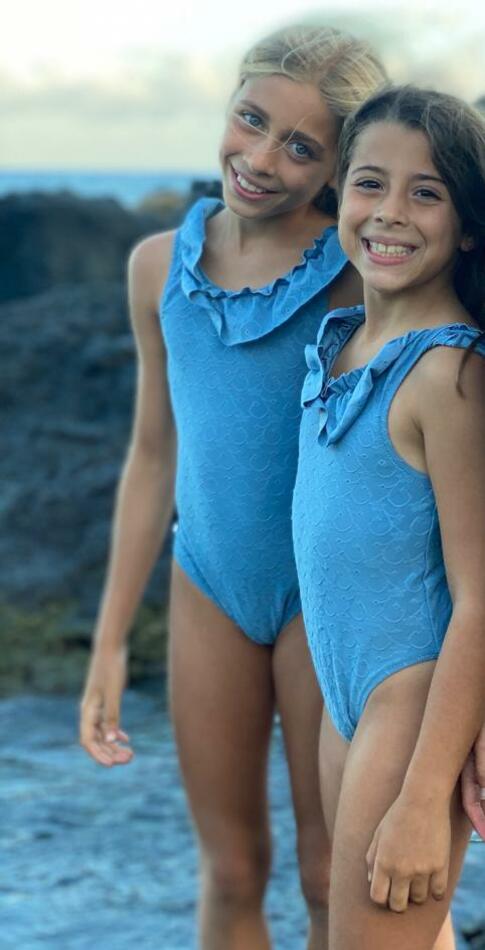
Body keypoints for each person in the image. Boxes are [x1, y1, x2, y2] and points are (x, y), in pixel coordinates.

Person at [79, 25, 387, 950]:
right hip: (207, 583)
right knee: (231, 871)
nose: (259, 160)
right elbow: (152, 455)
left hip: (321, 599)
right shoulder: (154, 269)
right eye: (250, 121)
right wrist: (108, 645)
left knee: (331, 872)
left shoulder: (359, 276)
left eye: (300, 147)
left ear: (336, 169)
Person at [292, 85, 485, 950]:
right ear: (339, 191)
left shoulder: (449, 376)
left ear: (467, 226)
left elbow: (479, 597)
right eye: (370, 183)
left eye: (426, 193)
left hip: (408, 709)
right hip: (345, 703)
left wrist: (423, 794)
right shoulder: (340, 343)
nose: (390, 212)